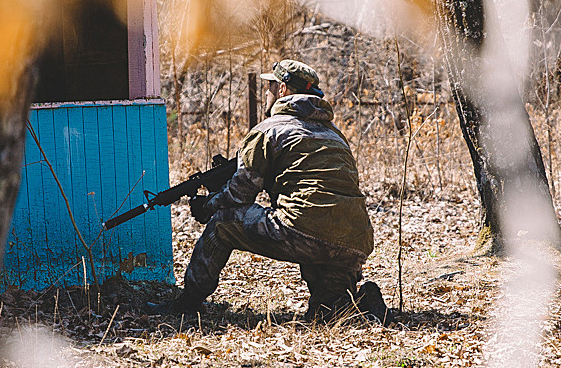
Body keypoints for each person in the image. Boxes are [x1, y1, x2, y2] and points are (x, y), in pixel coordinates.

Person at [160, 59, 389, 322]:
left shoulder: (269, 130)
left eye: (269, 87)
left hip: (305, 231)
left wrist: (208, 205)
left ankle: (187, 305)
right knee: (329, 314)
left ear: (282, 90)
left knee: (223, 224)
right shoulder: (335, 134)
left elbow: (239, 194)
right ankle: (365, 302)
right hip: (354, 240)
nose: (266, 93)